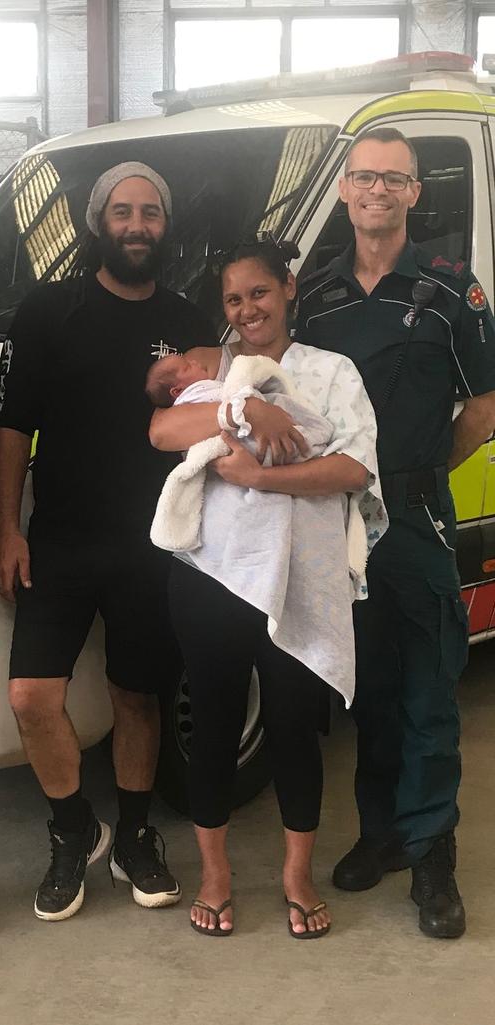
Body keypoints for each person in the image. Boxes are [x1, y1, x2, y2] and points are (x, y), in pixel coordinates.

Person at [0, 161, 216, 922]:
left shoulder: (190, 323)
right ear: (99, 221)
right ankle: (72, 830)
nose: (137, 224)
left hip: (154, 544)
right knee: (31, 695)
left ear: (165, 223)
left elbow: (215, 427)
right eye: (122, 210)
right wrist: (8, 530)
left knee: (137, 696)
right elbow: (12, 429)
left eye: (151, 211)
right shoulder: (50, 310)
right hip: (57, 541)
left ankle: (135, 836)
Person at [149, 238, 383, 938]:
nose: (247, 308)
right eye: (232, 299)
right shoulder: (213, 373)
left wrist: (262, 477)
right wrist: (247, 411)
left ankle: (296, 872)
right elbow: (164, 429)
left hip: (302, 581)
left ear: (287, 290)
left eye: (258, 292)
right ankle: (216, 874)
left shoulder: (332, 371)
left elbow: (353, 468)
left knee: (292, 731)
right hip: (212, 575)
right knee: (214, 728)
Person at [296, 127, 495, 938]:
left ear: (416, 193)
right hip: (337, 521)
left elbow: (483, 405)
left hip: (414, 519)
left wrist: (419, 476)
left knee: (427, 690)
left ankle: (431, 851)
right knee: (365, 685)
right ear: (344, 189)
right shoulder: (315, 295)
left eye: (396, 179)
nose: (378, 190)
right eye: (365, 177)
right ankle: (378, 832)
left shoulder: (454, 291)